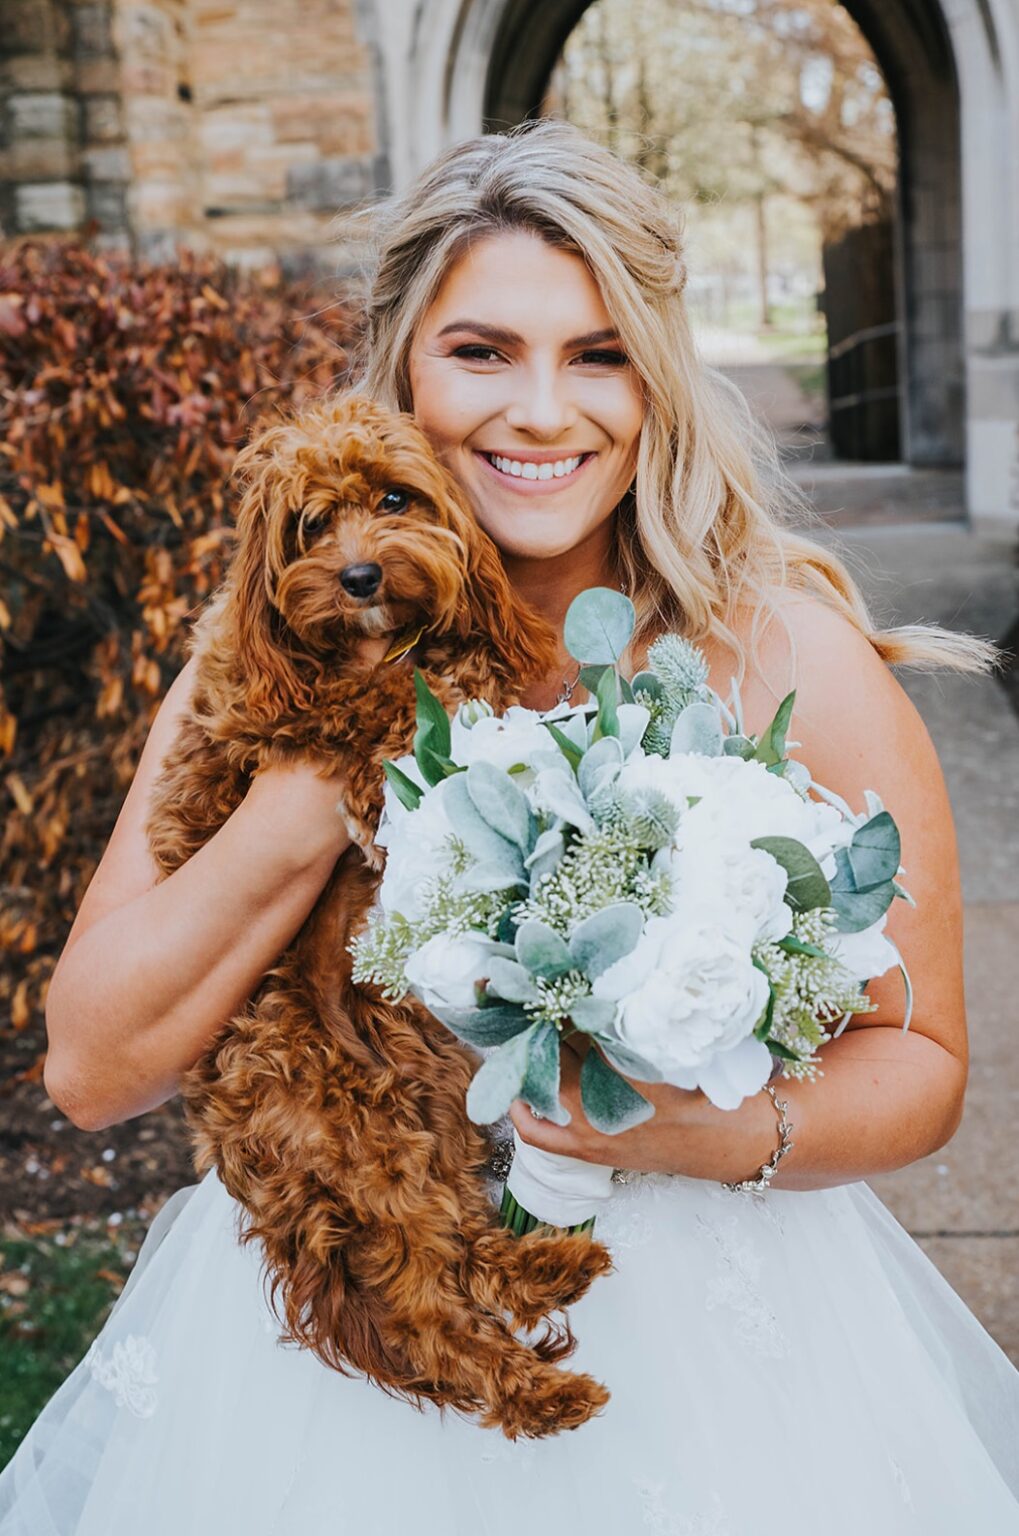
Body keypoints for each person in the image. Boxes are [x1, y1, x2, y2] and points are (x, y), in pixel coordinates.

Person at [2, 120, 1017, 1534]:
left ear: (658, 378)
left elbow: (923, 1062)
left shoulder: (785, 653)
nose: (543, 412)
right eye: (482, 352)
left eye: (598, 355)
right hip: (340, 1322)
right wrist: (322, 784)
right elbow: (95, 1070)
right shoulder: (263, 662)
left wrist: (677, 1133)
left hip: (711, 1347)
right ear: (405, 365)